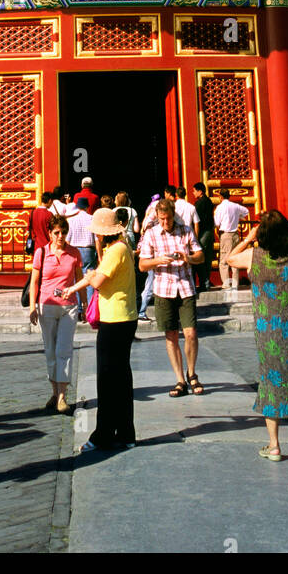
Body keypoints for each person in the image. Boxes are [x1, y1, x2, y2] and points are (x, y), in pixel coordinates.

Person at [224, 209, 288, 462]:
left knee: (270, 383)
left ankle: (275, 445)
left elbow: (229, 259)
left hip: (268, 333)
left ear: (263, 234)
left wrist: (248, 237)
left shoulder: (254, 256)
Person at [58, 209, 138, 452]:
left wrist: (86, 280)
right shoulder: (121, 248)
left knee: (107, 379)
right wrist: (73, 288)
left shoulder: (115, 251)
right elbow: (96, 275)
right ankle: (125, 433)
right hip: (124, 317)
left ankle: (103, 434)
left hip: (115, 320)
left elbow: (98, 280)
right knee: (121, 378)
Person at [137, 198, 205, 396]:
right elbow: (142, 265)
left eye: (167, 219)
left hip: (185, 287)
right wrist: (158, 260)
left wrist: (188, 258)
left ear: (173, 215)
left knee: (191, 332)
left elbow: (200, 256)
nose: (165, 223)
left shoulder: (186, 231)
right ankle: (180, 380)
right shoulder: (151, 234)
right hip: (163, 288)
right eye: (161, 219)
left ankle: (192, 373)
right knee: (171, 335)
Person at [29, 215, 82, 414]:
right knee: (50, 350)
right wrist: (32, 306)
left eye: (63, 232)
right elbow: (35, 281)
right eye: (57, 232)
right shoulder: (41, 253)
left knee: (64, 350)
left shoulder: (74, 253)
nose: (60, 236)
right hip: (47, 305)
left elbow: (79, 278)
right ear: (50, 233)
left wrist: (84, 302)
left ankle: (62, 396)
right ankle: (54, 391)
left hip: (68, 306)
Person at [214, 191, 250, 291]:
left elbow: (216, 222)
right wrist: (239, 217)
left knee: (224, 261)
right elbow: (246, 211)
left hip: (226, 234)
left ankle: (226, 284)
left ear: (220, 197)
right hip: (235, 234)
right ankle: (235, 284)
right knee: (235, 259)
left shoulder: (220, 207)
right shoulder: (235, 206)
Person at [67, 197, 96, 314]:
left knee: (77, 280)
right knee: (89, 279)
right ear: (87, 207)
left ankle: (78, 309)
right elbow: (97, 239)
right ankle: (89, 309)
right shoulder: (92, 219)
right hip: (89, 249)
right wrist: (100, 254)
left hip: (75, 250)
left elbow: (67, 240)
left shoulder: (71, 220)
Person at [192, 182, 215, 292]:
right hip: (210, 231)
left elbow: (197, 221)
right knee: (208, 258)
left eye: (194, 190)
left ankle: (204, 283)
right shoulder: (209, 201)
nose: (193, 193)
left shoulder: (199, 203)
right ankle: (206, 281)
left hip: (203, 233)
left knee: (200, 257)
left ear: (200, 191)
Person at [31, 191, 54, 256]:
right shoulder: (49, 214)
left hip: (36, 246)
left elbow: (29, 230)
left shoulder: (32, 213)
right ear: (49, 200)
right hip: (47, 246)